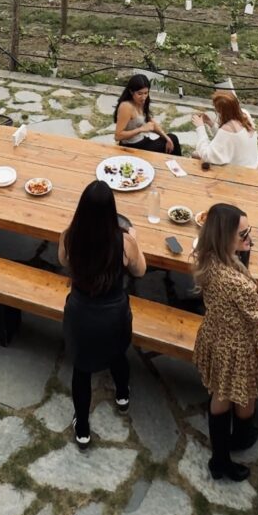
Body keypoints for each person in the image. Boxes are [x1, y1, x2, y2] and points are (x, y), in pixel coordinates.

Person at [192, 202, 258, 481]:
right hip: (236, 348)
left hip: (215, 336)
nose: (249, 238)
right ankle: (222, 458)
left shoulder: (208, 258)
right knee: (231, 394)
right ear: (224, 237)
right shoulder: (235, 281)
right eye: (243, 234)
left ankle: (235, 441)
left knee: (224, 392)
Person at [59, 181, 146, 449]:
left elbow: (64, 261)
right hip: (113, 316)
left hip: (81, 313)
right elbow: (140, 271)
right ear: (112, 212)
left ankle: (82, 429)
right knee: (118, 355)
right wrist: (135, 240)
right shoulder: (123, 242)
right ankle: (122, 396)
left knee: (81, 370)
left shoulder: (69, 235)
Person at [114, 74, 181, 156]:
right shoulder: (126, 106)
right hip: (132, 146)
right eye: (140, 94)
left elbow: (150, 122)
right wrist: (140, 129)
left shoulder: (142, 101)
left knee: (171, 138)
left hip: (143, 141)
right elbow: (118, 136)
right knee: (173, 141)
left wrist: (166, 138)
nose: (143, 97)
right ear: (131, 92)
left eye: (146, 93)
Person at [192, 90, 258, 168]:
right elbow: (228, 140)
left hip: (241, 171)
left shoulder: (229, 128)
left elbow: (207, 156)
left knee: (195, 154)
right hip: (252, 164)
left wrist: (200, 127)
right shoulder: (245, 114)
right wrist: (210, 123)